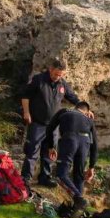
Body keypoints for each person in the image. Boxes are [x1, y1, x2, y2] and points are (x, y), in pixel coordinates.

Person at [19, 59, 88, 187]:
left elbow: (73, 98)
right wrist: (26, 112)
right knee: (32, 151)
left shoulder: (62, 84)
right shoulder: (39, 79)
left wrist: (85, 110)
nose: (58, 77)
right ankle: (25, 178)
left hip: (53, 126)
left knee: (49, 153)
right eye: (56, 74)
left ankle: (44, 177)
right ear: (51, 69)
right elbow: (25, 96)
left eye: (61, 75)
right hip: (37, 123)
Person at [44, 101, 98, 211]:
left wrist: (51, 146)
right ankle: (78, 209)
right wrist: (92, 166)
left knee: (61, 174)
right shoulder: (89, 120)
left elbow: (50, 128)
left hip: (70, 139)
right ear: (87, 112)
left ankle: (79, 197)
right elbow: (95, 144)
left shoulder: (65, 111)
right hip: (85, 142)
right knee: (79, 175)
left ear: (76, 107)